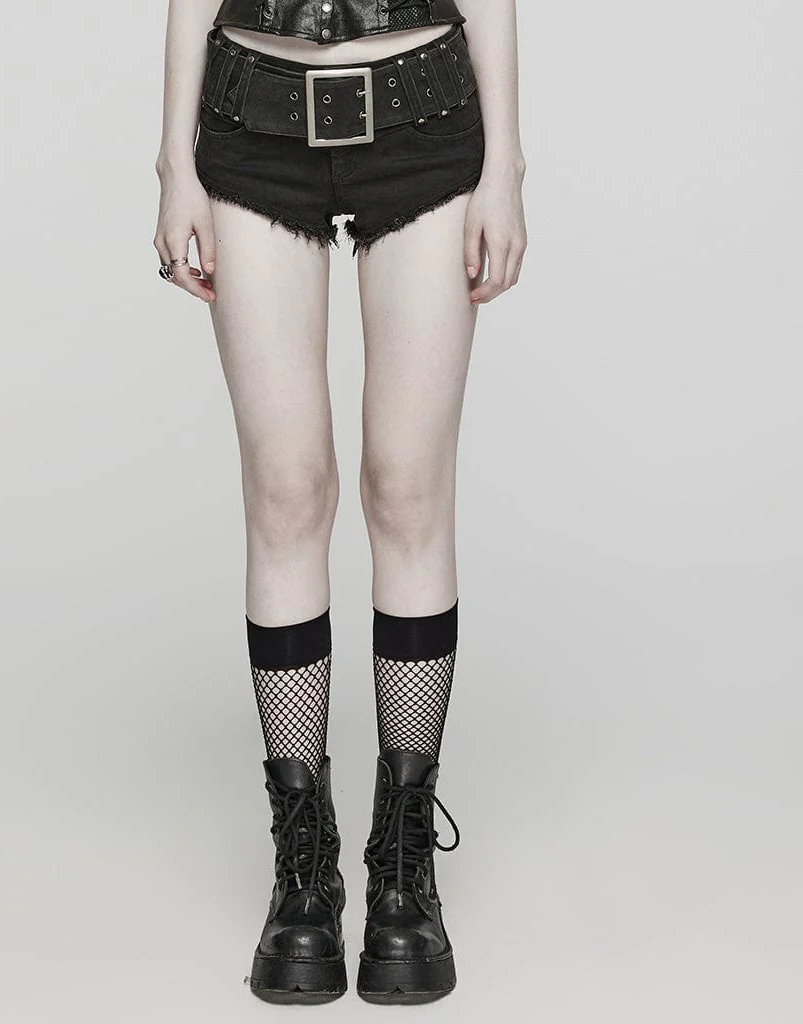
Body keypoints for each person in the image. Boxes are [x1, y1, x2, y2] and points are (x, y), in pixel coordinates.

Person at [153, 0, 526, 1004]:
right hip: (253, 119)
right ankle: (304, 874)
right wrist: (174, 166)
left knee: (407, 489)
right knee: (286, 490)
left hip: (422, 115)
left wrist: (505, 168)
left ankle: (403, 870)